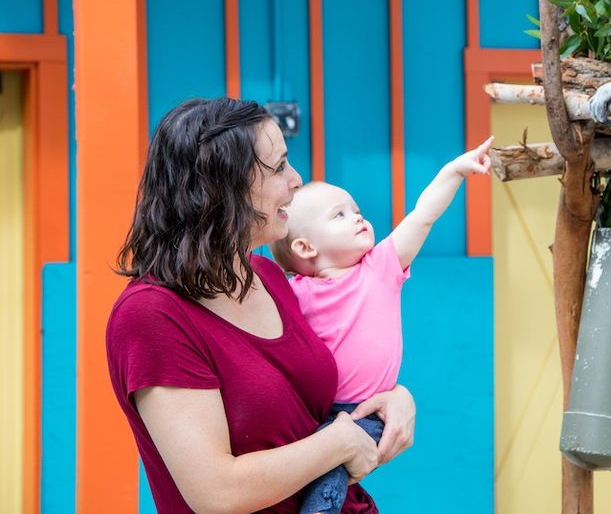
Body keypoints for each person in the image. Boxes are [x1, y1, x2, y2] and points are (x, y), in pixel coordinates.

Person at [106, 98, 415, 513]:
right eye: (278, 167)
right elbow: (216, 493)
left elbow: (315, 393)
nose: (295, 180)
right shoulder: (152, 316)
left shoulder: (269, 276)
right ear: (222, 187)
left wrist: (394, 396)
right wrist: (339, 442)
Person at [270, 136, 493, 513]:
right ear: (306, 248)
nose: (357, 216)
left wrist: (453, 171)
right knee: (306, 461)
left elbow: (422, 216)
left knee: (330, 474)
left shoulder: (380, 267)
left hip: (364, 410)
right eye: (339, 215)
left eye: (355, 209)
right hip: (313, 411)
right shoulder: (293, 291)